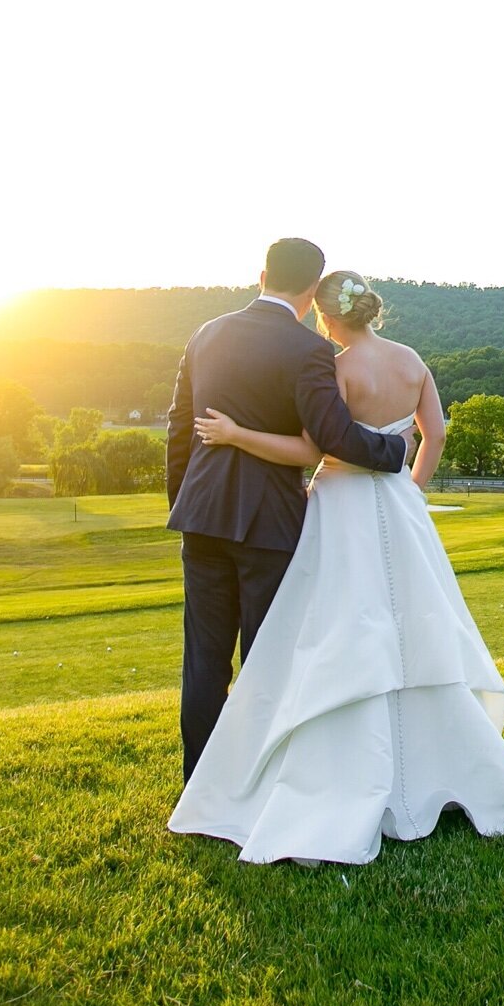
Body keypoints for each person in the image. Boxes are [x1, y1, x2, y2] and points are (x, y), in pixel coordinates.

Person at [167, 267, 504, 864]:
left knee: (333, 632)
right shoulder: (412, 360)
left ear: (327, 314)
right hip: (401, 510)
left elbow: (320, 446)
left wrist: (237, 436)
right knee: (414, 632)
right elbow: (436, 434)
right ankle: (441, 765)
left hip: (338, 506)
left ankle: (258, 773)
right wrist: (412, 488)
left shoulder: (330, 365)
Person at [165, 237, 408, 778]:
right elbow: (332, 434)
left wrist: (185, 503)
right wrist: (394, 449)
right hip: (268, 524)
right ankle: (258, 781)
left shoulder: (205, 335)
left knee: (203, 661)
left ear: (261, 275)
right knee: (267, 658)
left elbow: (179, 430)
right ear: (309, 291)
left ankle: (199, 783)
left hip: (201, 520)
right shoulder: (309, 351)